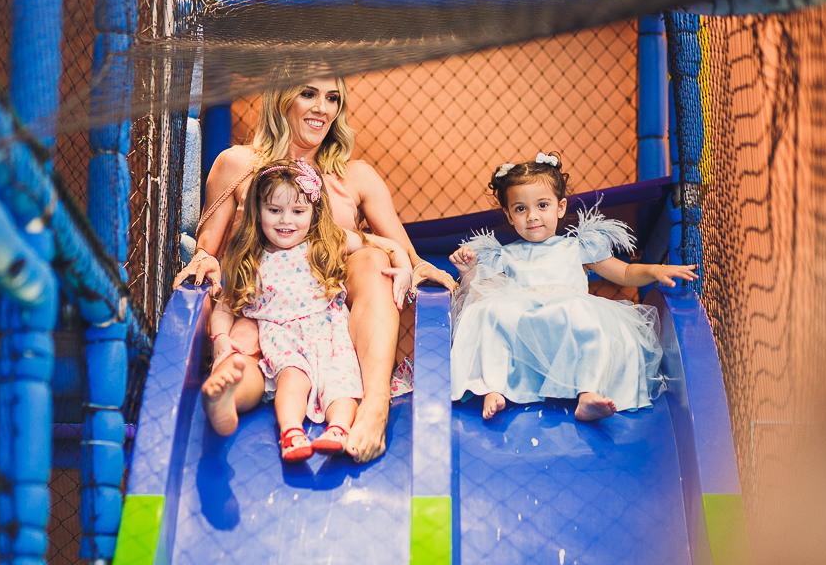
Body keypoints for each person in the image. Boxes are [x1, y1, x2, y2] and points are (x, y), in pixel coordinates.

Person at [174, 78, 456, 462]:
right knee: (242, 365)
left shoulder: (356, 176)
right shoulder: (237, 165)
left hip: (328, 319)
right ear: (282, 99)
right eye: (308, 93)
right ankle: (226, 397)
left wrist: (416, 267)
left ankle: (375, 406)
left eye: (332, 98)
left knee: (373, 260)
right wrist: (204, 259)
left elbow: (398, 248)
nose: (323, 108)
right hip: (262, 311)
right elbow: (207, 247)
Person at [448, 152, 697, 422]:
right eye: (520, 209)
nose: (532, 216)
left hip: (567, 321)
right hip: (526, 327)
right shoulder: (504, 255)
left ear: (560, 207)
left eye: (542, 205)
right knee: (487, 313)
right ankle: (494, 388)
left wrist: (655, 270)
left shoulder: (578, 246)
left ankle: (588, 393)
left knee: (588, 316)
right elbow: (482, 295)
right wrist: (468, 272)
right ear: (509, 215)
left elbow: (624, 272)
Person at [205, 160, 412, 460]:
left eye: (298, 212)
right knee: (292, 379)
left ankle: (338, 429)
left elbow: (387, 246)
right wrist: (221, 336)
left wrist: (405, 270)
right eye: (274, 210)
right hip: (282, 339)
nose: (285, 220)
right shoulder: (249, 256)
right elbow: (225, 305)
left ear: (314, 212)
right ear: (257, 211)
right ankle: (290, 432)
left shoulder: (325, 241)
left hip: (329, 334)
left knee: (342, 383)